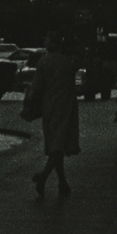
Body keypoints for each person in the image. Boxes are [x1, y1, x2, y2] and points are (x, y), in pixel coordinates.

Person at [24, 31, 80, 199]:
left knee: (55, 144)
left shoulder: (44, 62)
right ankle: (57, 180)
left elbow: (38, 87)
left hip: (50, 107)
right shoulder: (69, 61)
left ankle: (47, 177)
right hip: (67, 106)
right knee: (59, 144)